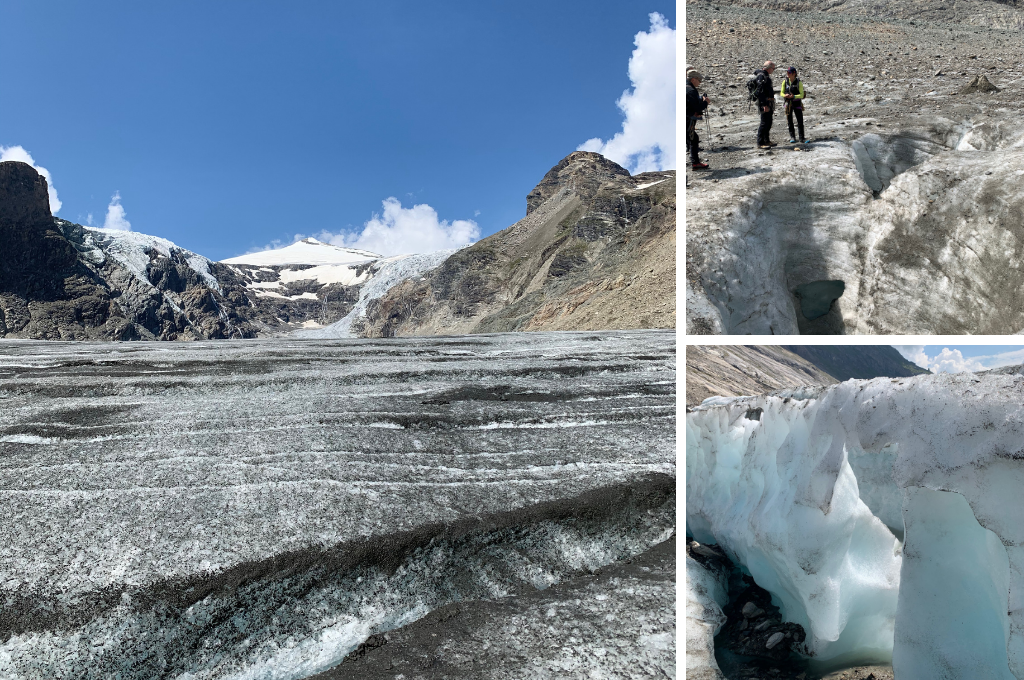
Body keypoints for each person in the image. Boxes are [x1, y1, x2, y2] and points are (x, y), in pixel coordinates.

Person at [686, 70, 710, 170]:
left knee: (692, 138)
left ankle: (695, 162)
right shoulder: (691, 90)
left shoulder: (686, 88)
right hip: (687, 119)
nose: (700, 82)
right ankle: (695, 163)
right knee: (693, 139)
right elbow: (696, 108)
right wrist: (705, 103)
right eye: (699, 80)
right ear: (693, 79)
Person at [752, 61, 777, 149]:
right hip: (764, 103)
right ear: (769, 68)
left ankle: (766, 140)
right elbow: (760, 92)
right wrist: (764, 105)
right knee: (764, 122)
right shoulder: (761, 76)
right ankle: (760, 142)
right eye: (773, 68)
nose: (773, 70)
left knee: (769, 121)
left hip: (768, 102)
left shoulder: (765, 76)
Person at [782, 66, 806, 143]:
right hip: (788, 104)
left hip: (797, 103)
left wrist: (794, 96)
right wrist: (784, 95)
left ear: (794, 73)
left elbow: (802, 95)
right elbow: (781, 92)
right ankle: (792, 137)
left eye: (789, 73)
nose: (787, 74)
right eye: (787, 72)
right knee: (789, 121)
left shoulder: (799, 83)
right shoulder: (785, 82)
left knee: (800, 120)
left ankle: (801, 138)